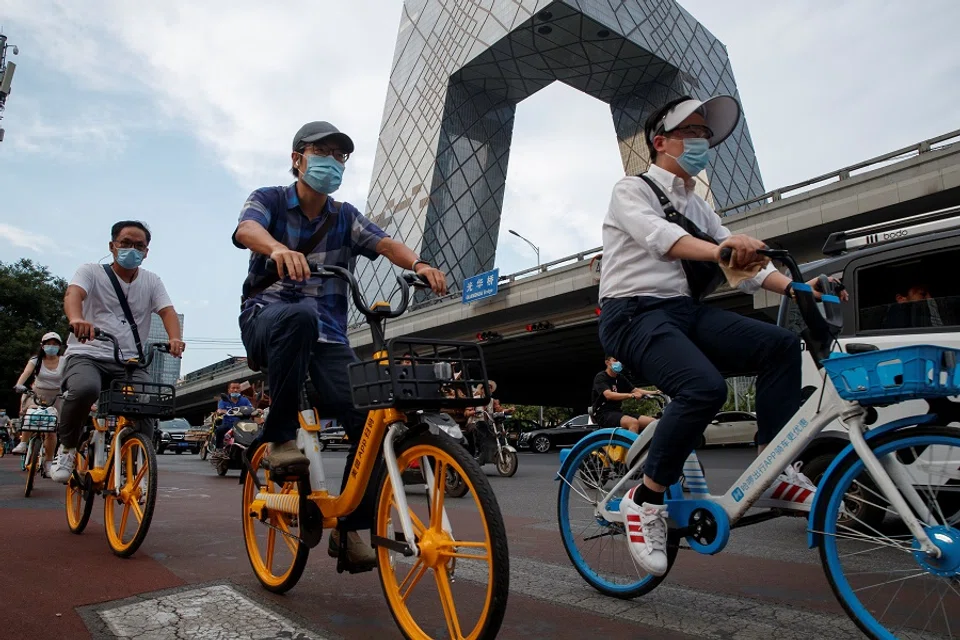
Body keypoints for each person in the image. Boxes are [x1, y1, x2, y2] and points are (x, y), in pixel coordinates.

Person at [598, 95, 834, 576]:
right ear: (660, 142)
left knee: (781, 345)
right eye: (691, 131)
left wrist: (800, 287)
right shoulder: (632, 190)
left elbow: (742, 270)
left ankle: (774, 468)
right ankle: (646, 500)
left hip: (683, 312)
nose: (701, 140)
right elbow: (660, 239)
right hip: (633, 314)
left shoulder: (698, 207)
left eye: (706, 134)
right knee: (703, 387)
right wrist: (723, 248)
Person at [232, 121, 447, 569]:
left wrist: (421, 264)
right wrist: (276, 249)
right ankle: (279, 439)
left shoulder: (344, 215)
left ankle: (351, 529)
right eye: (321, 151)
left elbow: (384, 242)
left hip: (328, 336)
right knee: (299, 314)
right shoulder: (269, 198)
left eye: (339, 155)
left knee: (368, 420)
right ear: (298, 158)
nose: (331, 161)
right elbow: (246, 230)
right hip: (267, 322)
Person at [50, 221, 185, 483]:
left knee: (148, 404)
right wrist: (77, 319)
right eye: (125, 243)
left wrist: (175, 338)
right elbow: (73, 294)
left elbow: (167, 311)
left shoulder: (151, 281)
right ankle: (66, 448)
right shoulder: (90, 271)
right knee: (85, 389)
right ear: (112, 246)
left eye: (139, 246)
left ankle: (138, 467)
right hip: (88, 354)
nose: (131, 249)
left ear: (146, 252)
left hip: (130, 362)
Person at [12, 331, 65, 474]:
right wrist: (19, 385)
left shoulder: (64, 361)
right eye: (48, 344)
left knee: (51, 431)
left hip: (57, 396)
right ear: (42, 346)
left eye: (55, 344)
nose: (51, 346)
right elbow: (26, 373)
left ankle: (48, 463)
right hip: (37, 394)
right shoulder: (36, 360)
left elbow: (70, 377)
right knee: (31, 417)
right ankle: (23, 443)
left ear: (59, 347)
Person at [591, 356, 657, 433]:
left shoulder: (620, 378)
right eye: (615, 360)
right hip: (603, 414)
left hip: (618, 412)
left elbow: (635, 390)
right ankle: (633, 445)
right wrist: (631, 395)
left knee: (653, 422)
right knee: (633, 422)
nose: (619, 363)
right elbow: (608, 395)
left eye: (620, 360)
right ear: (607, 362)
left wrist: (656, 392)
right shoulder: (601, 377)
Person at [214, 381, 254, 449]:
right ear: (229, 390)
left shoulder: (245, 400)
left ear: (240, 390)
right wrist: (221, 411)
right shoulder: (224, 400)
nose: (235, 390)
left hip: (242, 425)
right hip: (228, 424)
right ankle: (218, 450)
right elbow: (219, 410)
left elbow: (251, 408)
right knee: (219, 430)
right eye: (233, 388)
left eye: (237, 388)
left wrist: (258, 411)